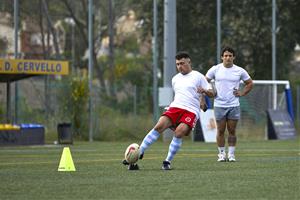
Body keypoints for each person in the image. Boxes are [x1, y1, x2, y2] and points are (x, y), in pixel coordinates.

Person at [123, 51, 214, 170]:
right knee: (159, 126)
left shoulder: (198, 76)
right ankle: (139, 152)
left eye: (182, 63)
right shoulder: (175, 79)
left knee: (179, 132)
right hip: (175, 107)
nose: (179, 66)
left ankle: (167, 161)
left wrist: (204, 92)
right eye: (177, 64)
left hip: (191, 111)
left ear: (189, 62)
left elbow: (212, 93)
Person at [205, 46, 253, 162]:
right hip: (219, 105)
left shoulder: (239, 70)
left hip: (233, 105)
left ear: (233, 57)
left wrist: (241, 93)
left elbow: (250, 83)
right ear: (222, 57)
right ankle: (221, 154)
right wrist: (210, 89)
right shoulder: (215, 69)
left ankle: (231, 155)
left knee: (232, 131)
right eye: (225, 56)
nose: (228, 58)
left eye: (230, 56)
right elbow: (204, 80)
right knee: (220, 131)